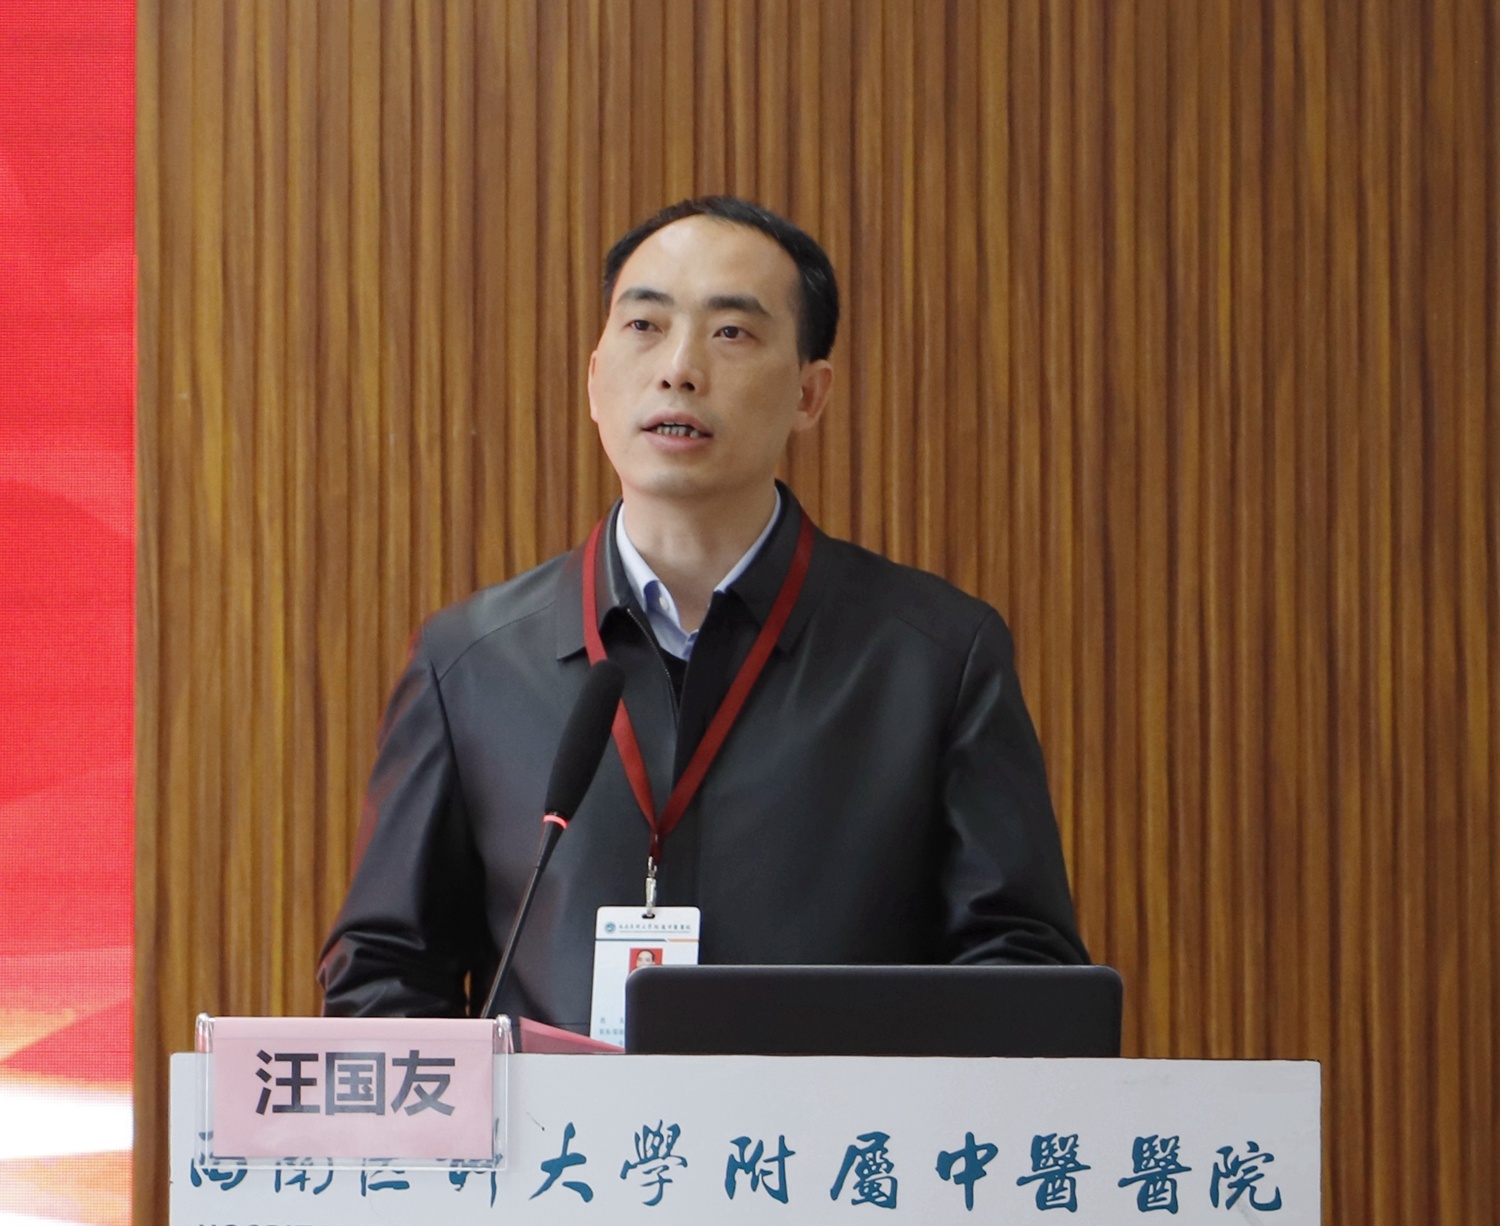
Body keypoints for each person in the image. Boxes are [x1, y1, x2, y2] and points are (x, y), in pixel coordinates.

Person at [319, 197, 1088, 1025]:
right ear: (594, 378)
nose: (679, 369)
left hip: (821, 1115)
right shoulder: (469, 663)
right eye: (644, 325)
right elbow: (387, 979)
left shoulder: (934, 658)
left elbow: (1022, 980)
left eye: (731, 332)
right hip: (559, 1118)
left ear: (809, 393)